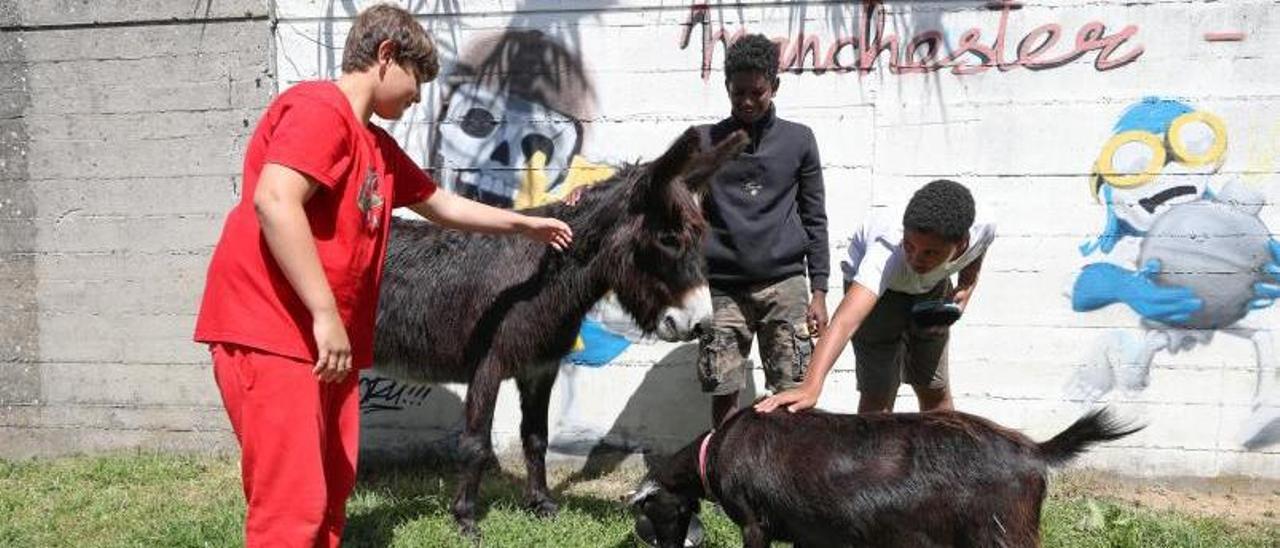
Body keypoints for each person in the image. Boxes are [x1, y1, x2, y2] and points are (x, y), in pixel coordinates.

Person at [192, 4, 571, 546]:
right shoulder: (319, 111)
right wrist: (325, 314)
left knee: (330, 484)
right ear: (386, 56)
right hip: (273, 332)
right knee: (291, 503)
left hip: (324, 343)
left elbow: (439, 204)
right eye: (417, 80)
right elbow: (275, 200)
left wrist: (525, 225)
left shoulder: (376, 144)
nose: (419, 96)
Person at [756, 179, 994, 415]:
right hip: (877, 296)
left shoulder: (984, 226)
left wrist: (966, 284)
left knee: (934, 390)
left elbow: (977, 251)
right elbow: (845, 322)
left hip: (930, 287)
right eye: (909, 246)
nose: (916, 259)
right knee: (878, 396)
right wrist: (810, 387)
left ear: (961, 243)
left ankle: (945, 453)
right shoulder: (887, 249)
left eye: (930, 252)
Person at [696, 34, 829, 426]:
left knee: (792, 390)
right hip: (722, 288)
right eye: (739, 93)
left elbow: (815, 216)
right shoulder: (705, 141)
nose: (748, 102)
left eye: (758, 92)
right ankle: (721, 473)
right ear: (727, 88)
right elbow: (666, 194)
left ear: (775, 86)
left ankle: (791, 480)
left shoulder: (799, 140)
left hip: (785, 285)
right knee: (721, 387)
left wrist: (818, 291)